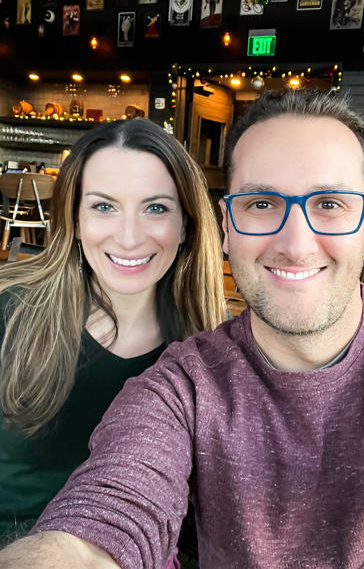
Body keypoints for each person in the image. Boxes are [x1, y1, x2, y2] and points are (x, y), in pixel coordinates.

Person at [2, 88, 364, 568]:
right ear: (227, 224)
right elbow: (114, 513)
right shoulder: (187, 383)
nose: (296, 245)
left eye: (330, 203)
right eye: (261, 204)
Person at [0, 119, 226, 562]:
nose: (128, 236)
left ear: (186, 225)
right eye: (104, 207)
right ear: (76, 219)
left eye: (156, 208)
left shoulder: (212, 351)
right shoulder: (10, 311)